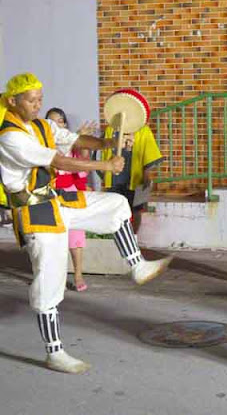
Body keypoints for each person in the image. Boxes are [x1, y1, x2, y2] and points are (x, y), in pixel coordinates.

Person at [0, 73, 172, 374]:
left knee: (116, 204)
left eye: (40, 98)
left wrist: (107, 142)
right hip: (34, 211)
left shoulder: (42, 125)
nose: (38, 105)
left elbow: (75, 139)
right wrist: (104, 164)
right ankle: (54, 352)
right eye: (31, 100)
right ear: (13, 101)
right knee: (49, 281)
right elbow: (59, 161)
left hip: (55, 199)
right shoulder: (10, 137)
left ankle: (137, 265)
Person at [46, 107, 95, 292]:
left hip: (71, 194)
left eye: (59, 121)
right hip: (50, 195)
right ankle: (55, 277)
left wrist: (82, 142)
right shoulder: (44, 147)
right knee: (51, 237)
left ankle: (78, 275)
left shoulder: (74, 145)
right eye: (50, 121)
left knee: (75, 236)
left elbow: (83, 167)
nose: (55, 125)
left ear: (64, 125)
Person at [100, 121, 163, 234]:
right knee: (115, 210)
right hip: (115, 178)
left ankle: (134, 237)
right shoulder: (111, 129)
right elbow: (106, 154)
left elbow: (149, 155)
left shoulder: (143, 130)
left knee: (136, 210)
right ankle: (120, 237)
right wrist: (106, 176)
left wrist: (147, 178)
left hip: (136, 177)